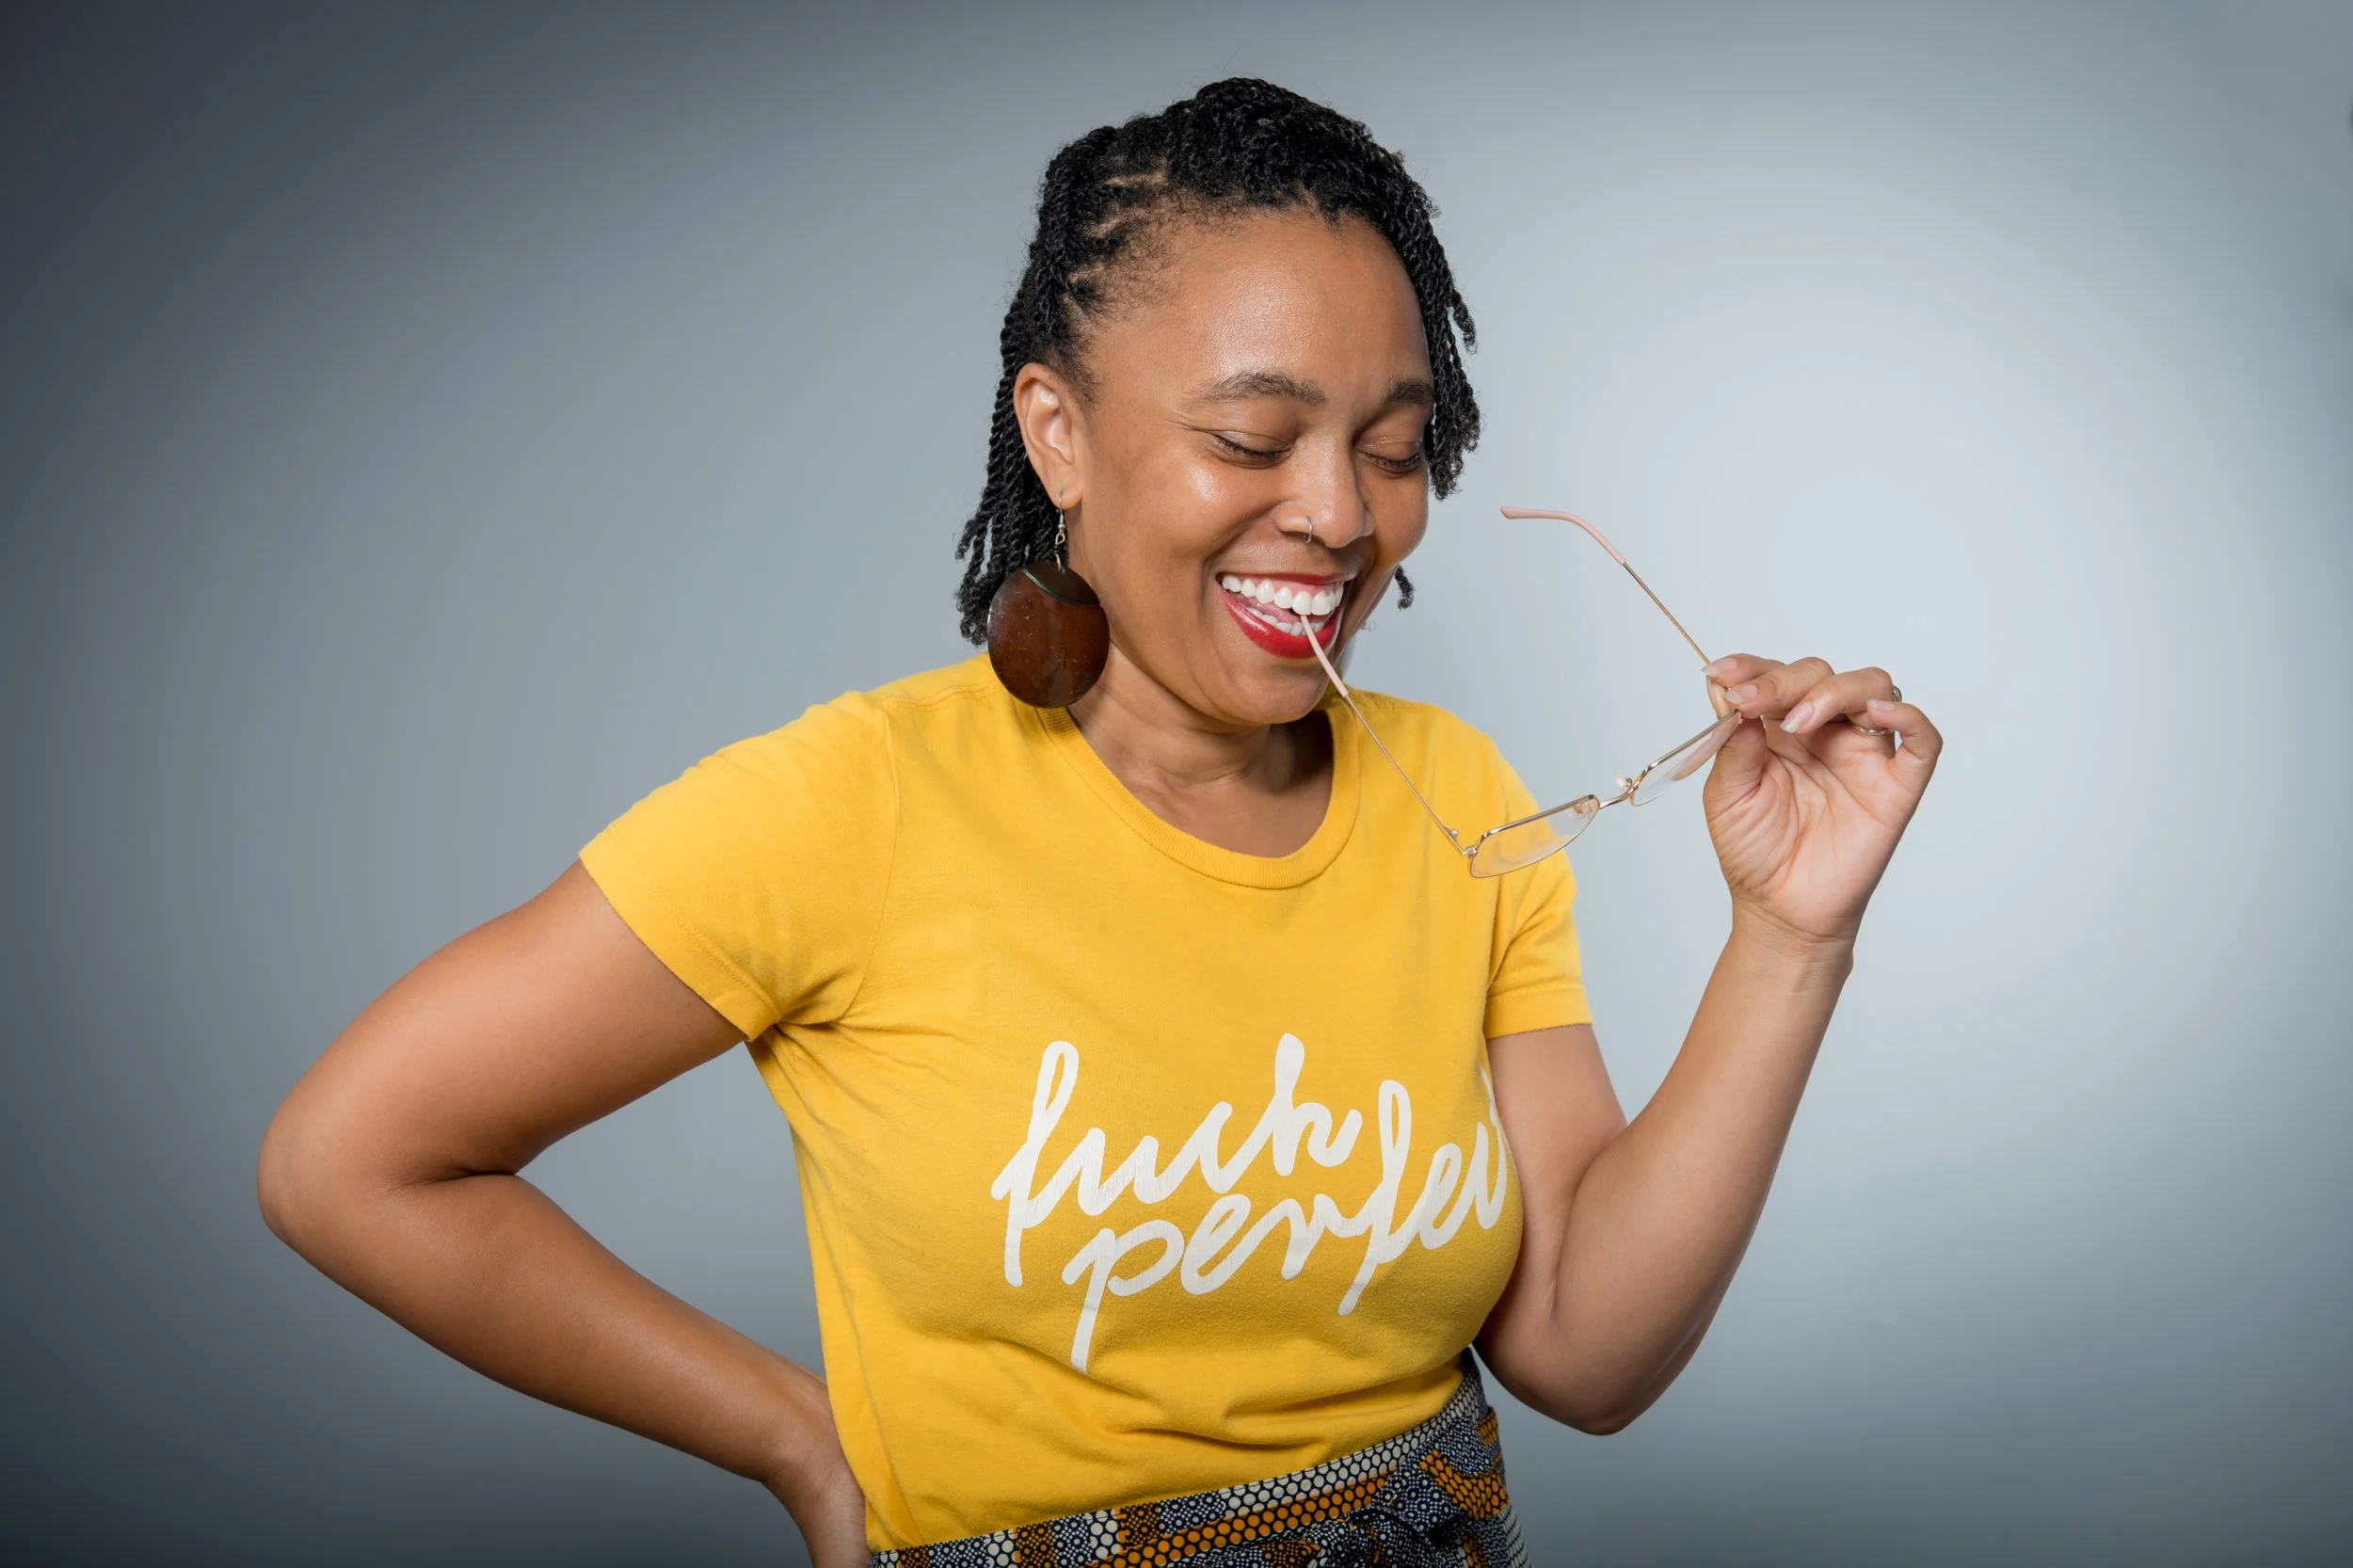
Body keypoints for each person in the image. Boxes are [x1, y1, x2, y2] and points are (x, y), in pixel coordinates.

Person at [258, 78, 1940, 1567]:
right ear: (1057, 431)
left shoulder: (1462, 798)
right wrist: (790, 1432)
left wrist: (1793, 936)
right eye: (1253, 437)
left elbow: (1581, 1341)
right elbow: (357, 1162)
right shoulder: (852, 807)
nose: (1342, 515)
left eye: (1398, 446)